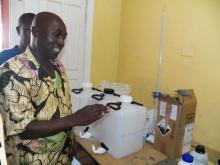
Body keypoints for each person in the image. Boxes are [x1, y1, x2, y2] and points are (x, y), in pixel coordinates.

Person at [0, 12, 109, 165]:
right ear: (35, 32)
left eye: (64, 36)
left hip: (63, 155)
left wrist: (78, 120)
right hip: (33, 159)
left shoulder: (58, 66)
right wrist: (74, 119)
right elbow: (23, 129)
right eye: (56, 35)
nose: (61, 41)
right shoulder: (11, 71)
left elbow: (61, 111)